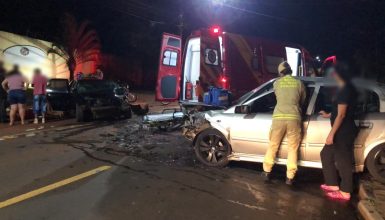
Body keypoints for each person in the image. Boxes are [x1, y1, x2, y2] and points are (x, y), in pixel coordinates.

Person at [262, 61, 306, 185]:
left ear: (281, 72)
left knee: (273, 145)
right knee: (293, 148)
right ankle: (290, 177)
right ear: (290, 71)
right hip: (294, 117)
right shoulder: (299, 83)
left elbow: (276, 97)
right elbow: (302, 100)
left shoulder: (277, 83)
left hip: (278, 117)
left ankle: (266, 172)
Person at [319, 63, 357, 201]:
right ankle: (332, 184)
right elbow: (338, 111)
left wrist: (331, 134)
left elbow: (342, 115)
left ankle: (345, 191)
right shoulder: (342, 89)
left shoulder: (345, 89)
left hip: (344, 131)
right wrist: (328, 115)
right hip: (341, 129)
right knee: (326, 154)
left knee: (343, 161)